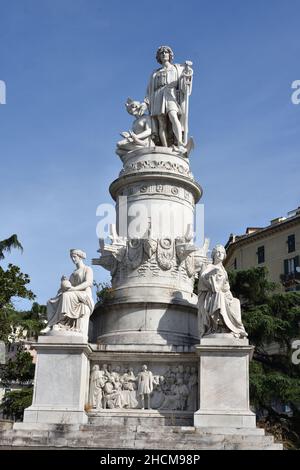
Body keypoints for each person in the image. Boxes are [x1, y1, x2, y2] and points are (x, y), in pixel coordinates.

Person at [145, 46, 193, 151]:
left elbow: (184, 83)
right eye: (161, 53)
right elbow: (149, 90)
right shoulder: (155, 72)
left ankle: (180, 142)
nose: (164, 54)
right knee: (161, 123)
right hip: (157, 96)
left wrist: (187, 73)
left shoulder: (177, 68)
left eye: (166, 52)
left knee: (173, 115)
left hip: (170, 94)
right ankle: (165, 147)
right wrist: (146, 102)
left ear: (170, 55)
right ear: (159, 57)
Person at [197, 244, 247, 339]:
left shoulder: (224, 271)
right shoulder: (208, 266)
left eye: (222, 253)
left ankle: (236, 329)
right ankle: (218, 326)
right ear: (214, 254)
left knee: (236, 302)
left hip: (223, 295)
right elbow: (202, 280)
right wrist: (210, 275)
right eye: (218, 252)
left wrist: (229, 296)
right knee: (219, 296)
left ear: (224, 256)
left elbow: (226, 287)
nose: (220, 254)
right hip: (210, 296)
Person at [45, 249, 94, 338]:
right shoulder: (73, 274)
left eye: (74, 257)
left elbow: (88, 283)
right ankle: (54, 324)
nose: (73, 259)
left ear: (80, 257)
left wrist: (74, 289)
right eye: (71, 257)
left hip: (84, 294)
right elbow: (68, 287)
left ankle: (62, 319)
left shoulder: (87, 269)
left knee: (66, 295)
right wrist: (64, 282)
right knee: (50, 302)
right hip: (74, 294)